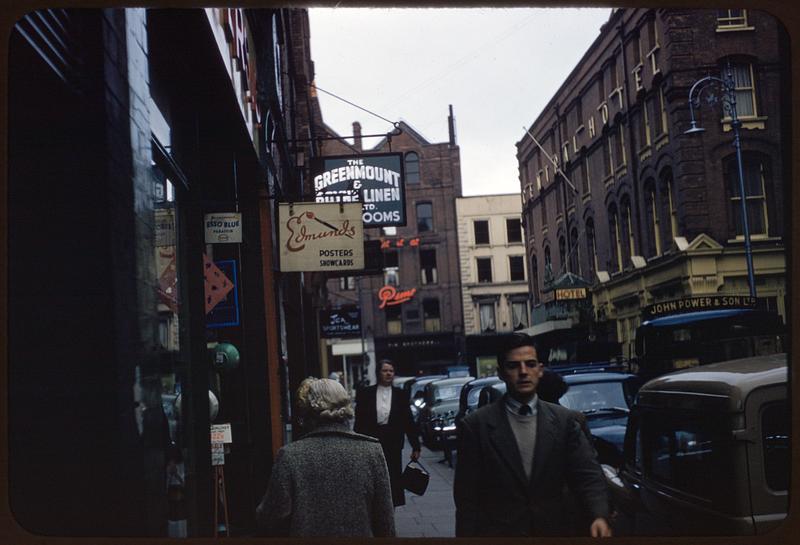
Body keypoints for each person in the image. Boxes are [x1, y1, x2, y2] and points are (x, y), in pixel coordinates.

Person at [453, 333, 612, 537]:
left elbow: (588, 474)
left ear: (540, 370)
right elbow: (467, 500)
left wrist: (599, 515)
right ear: (501, 373)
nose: (523, 372)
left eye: (530, 364)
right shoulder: (476, 426)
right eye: (513, 366)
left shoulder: (564, 421)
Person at [256, 378, 395, 537]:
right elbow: (385, 521)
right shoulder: (371, 451)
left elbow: (270, 517)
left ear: (307, 412)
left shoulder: (290, 456)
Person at [354, 359, 421, 506]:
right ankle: (375, 507)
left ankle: (391, 509)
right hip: (372, 441)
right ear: (378, 373)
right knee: (373, 476)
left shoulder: (401, 395)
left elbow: (408, 421)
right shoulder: (366, 394)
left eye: (391, 371)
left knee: (393, 477)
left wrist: (416, 446)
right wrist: (356, 444)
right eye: (385, 370)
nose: (388, 373)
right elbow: (359, 421)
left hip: (393, 442)